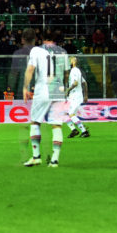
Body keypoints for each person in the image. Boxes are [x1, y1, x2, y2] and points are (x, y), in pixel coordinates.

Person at [22, 29, 68, 167]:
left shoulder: (37, 50)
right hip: (58, 88)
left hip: (43, 87)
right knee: (56, 124)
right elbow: (66, 73)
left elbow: (30, 69)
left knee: (35, 122)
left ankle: (36, 157)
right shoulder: (63, 52)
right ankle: (54, 160)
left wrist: (25, 87)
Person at [64, 56, 89, 138]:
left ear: (74, 62)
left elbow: (75, 83)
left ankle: (84, 131)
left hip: (75, 96)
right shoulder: (77, 71)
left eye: (70, 60)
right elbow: (84, 83)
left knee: (71, 114)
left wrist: (68, 89)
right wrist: (85, 96)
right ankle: (74, 130)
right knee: (65, 113)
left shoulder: (75, 70)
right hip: (73, 96)